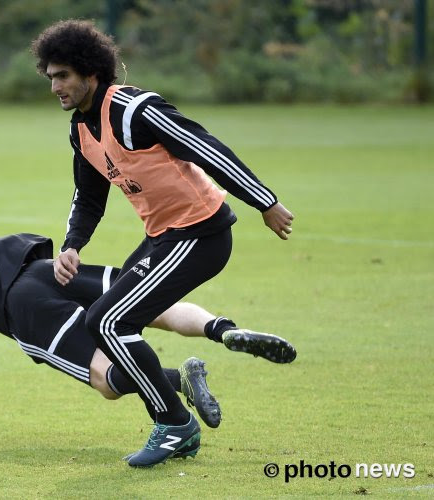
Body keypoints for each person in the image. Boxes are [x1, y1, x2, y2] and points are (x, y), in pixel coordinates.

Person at [31, 19, 296, 466]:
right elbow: (88, 197)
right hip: (162, 237)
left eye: (63, 76)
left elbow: (205, 146)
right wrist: (72, 244)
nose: (55, 86)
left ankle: (174, 425)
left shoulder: (134, 110)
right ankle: (197, 374)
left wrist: (264, 202)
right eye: (50, 77)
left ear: (91, 73)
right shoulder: (81, 130)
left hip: (202, 234)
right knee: (108, 322)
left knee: (108, 323)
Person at [0, 218, 296, 455]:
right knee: (148, 306)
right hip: (46, 269)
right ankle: (223, 329)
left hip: (25, 309)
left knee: (104, 381)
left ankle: (177, 379)